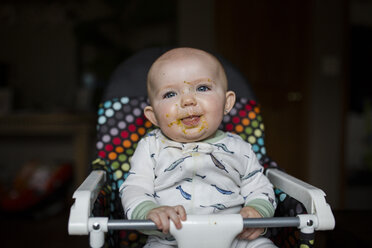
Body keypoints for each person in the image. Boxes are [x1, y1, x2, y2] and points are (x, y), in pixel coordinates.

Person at [120, 47, 277, 248]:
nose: (187, 100)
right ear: (153, 116)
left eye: (202, 88)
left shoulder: (239, 147)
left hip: (236, 239)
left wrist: (257, 210)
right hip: (169, 239)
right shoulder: (151, 147)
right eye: (170, 94)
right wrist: (149, 211)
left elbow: (259, 187)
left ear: (227, 102)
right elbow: (135, 187)